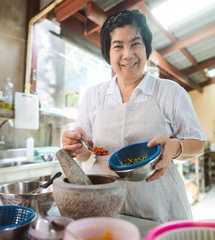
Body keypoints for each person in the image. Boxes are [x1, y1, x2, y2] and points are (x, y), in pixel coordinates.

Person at [61, 9, 206, 223]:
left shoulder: (170, 91)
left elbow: (198, 144)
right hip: (104, 203)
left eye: (136, 44)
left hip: (159, 205)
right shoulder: (94, 96)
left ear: (147, 48)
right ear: (107, 52)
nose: (128, 54)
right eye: (118, 46)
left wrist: (174, 147)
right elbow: (85, 154)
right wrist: (77, 146)